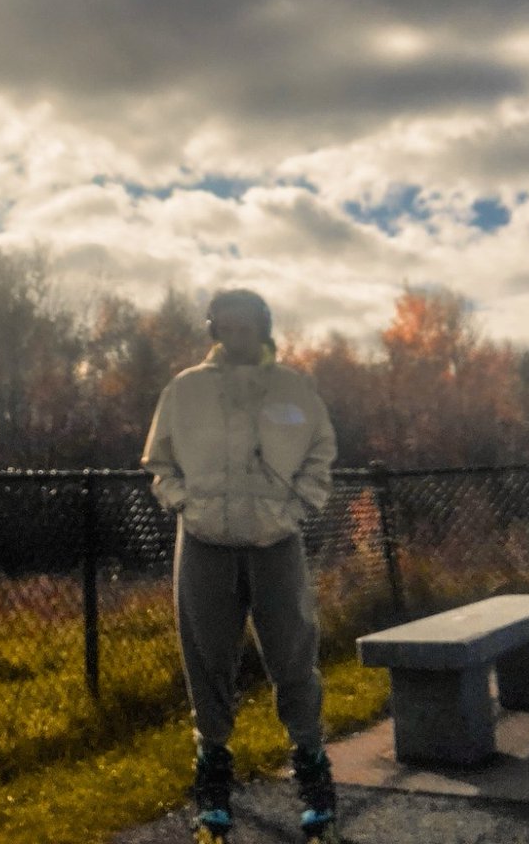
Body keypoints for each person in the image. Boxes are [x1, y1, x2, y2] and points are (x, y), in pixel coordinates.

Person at [142, 288, 339, 844]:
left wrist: (297, 507)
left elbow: (321, 450)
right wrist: (185, 503)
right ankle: (213, 789)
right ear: (214, 328)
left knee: (294, 652)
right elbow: (160, 459)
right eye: (226, 322)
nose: (237, 331)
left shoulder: (293, 387)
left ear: (263, 326)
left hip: (276, 543)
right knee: (205, 657)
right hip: (204, 542)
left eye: (247, 322)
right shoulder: (186, 389)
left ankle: (313, 774)